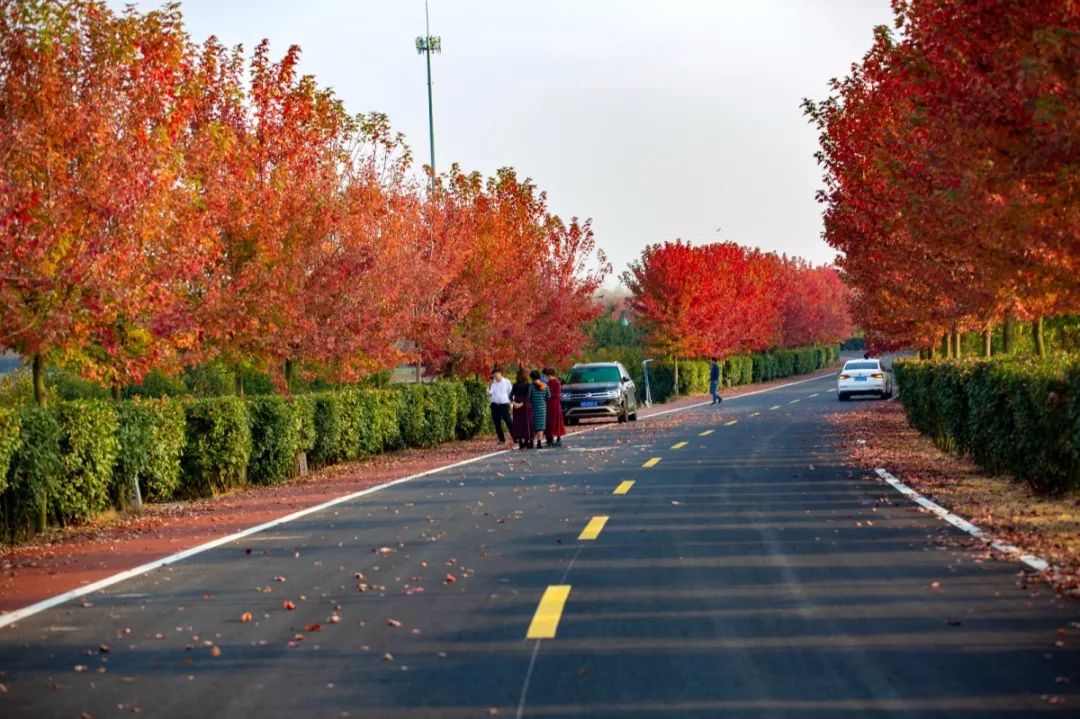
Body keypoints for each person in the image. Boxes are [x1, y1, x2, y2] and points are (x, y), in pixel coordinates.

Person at [487, 366, 513, 444]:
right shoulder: (493, 383)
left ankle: (515, 436)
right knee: (497, 423)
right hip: (494, 405)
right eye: (493, 376)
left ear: (500, 373)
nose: (495, 377)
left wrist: (511, 403)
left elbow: (510, 393)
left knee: (509, 421)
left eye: (496, 375)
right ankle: (501, 439)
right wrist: (490, 384)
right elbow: (489, 393)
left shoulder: (507, 382)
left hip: (504, 405)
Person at [510, 368, 534, 449]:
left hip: (516, 405)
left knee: (518, 423)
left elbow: (510, 396)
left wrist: (514, 403)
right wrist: (521, 403)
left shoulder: (515, 385)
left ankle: (520, 441)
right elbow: (528, 396)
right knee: (526, 423)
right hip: (525, 405)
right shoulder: (528, 385)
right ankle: (528, 440)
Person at [542, 367, 565, 447]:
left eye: (548, 376)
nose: (548, 378)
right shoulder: (547, 384)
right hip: (548, 404)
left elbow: (557, 395)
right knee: (549, 422)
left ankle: (558, 438)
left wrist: (549, 394)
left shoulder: (557, 383)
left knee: (556, 422)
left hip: (555, 404)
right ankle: (549, 438)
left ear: (551, 375)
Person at [528, 370, 550, 449]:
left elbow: (528, 397)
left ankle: (531, 442)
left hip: (533, 408)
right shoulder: (545, 386)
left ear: (532, 378)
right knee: (541, 426)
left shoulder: (531, 387)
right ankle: (539, 443)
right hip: (542, 408)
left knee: (533, 425)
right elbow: (548, 397)